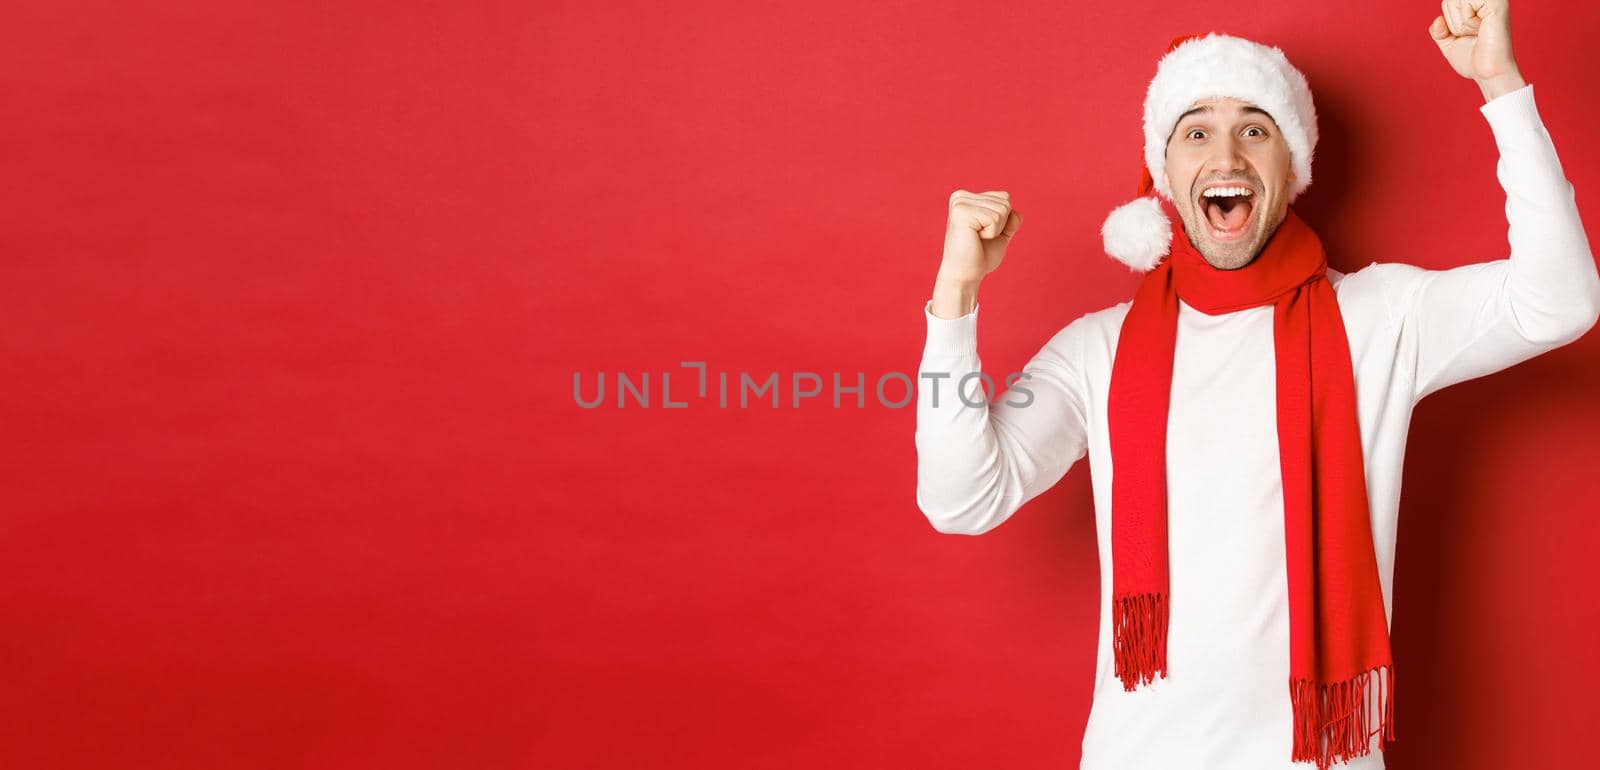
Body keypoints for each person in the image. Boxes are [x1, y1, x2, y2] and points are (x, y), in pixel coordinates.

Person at [913, 3, 1599, 769]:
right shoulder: (1096, 351)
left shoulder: (1379, 316)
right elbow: (961, 498)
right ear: (1166, 173)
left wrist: (1500, 85)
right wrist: (955, 299)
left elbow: (1560, 300)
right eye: (1196, 131)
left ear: (1292, 166)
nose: (1226, 154)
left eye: (1256, 128)